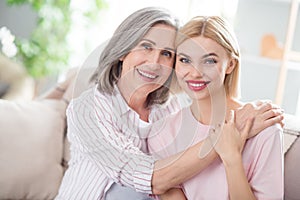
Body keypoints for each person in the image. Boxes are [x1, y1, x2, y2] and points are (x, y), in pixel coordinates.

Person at [55, 8, 284, 199]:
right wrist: (225, 138)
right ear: (123, 51)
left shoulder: (167, 111)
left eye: (167, 53)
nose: (155, 63)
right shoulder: (89, 109)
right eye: (146, 46)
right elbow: (153, 180)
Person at [148, 16, 283, 199]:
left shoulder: (264, 128)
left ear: (231, 65)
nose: (195, 73)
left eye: (209, 61)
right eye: (185, 60)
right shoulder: (161, 133)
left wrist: (232, 160)